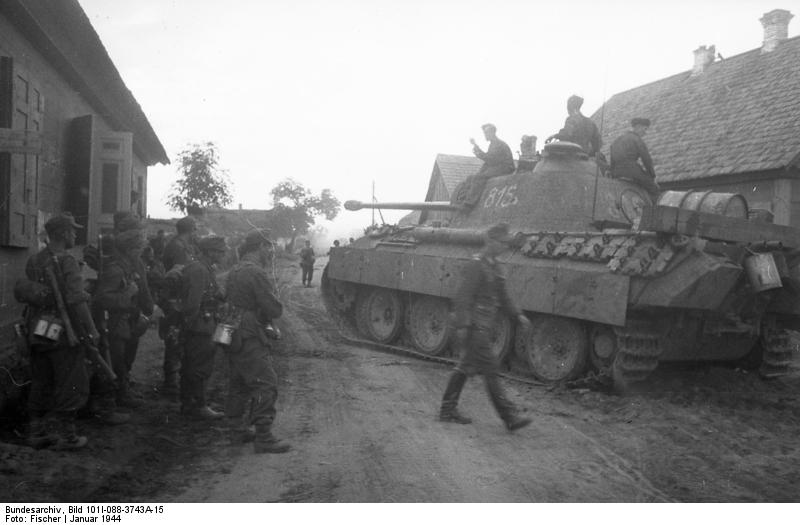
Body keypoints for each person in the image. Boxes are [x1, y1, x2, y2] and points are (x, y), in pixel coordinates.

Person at [439, 222, 533, 432]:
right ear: (490, 241)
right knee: (491, 367)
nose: (505, 246)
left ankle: (447, 409)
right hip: (475, 326)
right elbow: (463, 296)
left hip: (485, 324)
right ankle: (509, 416)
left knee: (465, 366)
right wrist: (463, 326)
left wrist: (518, 315)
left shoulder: (495, 266)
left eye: (506, 243)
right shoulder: (476, 264)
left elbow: (503, 296)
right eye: (501, 242)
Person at [17, 213, 98, 449]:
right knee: (71, 379)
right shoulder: (68, 261)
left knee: (41, 379)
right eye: (72, 231)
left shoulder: (35, 259)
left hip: (39, 328)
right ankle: (66, 435)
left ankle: (36, 432)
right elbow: (76, 299)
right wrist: (91, 329)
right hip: (63, 329)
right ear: (63, 233)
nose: (75, 235)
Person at [223, 230, 290, 454]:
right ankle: (263, 437)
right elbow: (273, 309)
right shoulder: (256, 272)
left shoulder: (235, 269)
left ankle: (236, 430)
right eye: (268, 246)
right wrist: (276, 303)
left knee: (238, 382)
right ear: (260, 246)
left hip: (232, 329)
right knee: (266, 383)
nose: (270, 251)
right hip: (249, 332)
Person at [94, 229, 149, 409]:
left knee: (123, 359)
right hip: (115, 323)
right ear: (130, 249)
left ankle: (123, 393)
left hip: (125, 321)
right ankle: (117, 398)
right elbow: (103, 299)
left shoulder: (126, 267)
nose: (140, 252)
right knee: (116, 360)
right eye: (138, 248)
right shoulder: (116, 270)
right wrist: (129, 293)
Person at [179, 236, 227, 419]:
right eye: (220, 252)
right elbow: (193, 304)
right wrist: (190, 326)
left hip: (202, 323)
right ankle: (198, 406)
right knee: (200, 366)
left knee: (193, 365)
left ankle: (190, 404)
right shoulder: (199, 270)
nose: (223, 255)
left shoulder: (203, 268)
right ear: (210, 252)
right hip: (200, 325)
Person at [159, 216, 199, 395]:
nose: (196, 233)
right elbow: (180, 274)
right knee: (174, 338)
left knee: (176, 338)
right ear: (190, 230)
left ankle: (172, 379)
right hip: (175, 299)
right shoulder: (178, 247)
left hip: (176, 298)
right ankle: (171, 381)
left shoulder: (179, 245)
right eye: (195, 229)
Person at [460, 123, 515, 206]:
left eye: (486, 133)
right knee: (471, 178)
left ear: (492, 133)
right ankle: (463, 198)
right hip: (497, 166)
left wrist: (478, 152)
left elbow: (491, 160)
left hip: (505, 168)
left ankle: (470, 203)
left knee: (479, 178)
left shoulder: (498, 144)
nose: (485, 135)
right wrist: (476, 147)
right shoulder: (493, 144)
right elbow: (489, 159)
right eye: (484, 133)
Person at [609, 118, 660, 196]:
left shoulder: (616, 141)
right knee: (654, 189)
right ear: (638, 127)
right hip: (632, 172)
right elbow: (646, 159)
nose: (645, 132)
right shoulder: (637, 139)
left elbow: (612, 161)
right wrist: (652, 176)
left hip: (616, 173)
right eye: (645, 129)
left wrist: (612, 173)